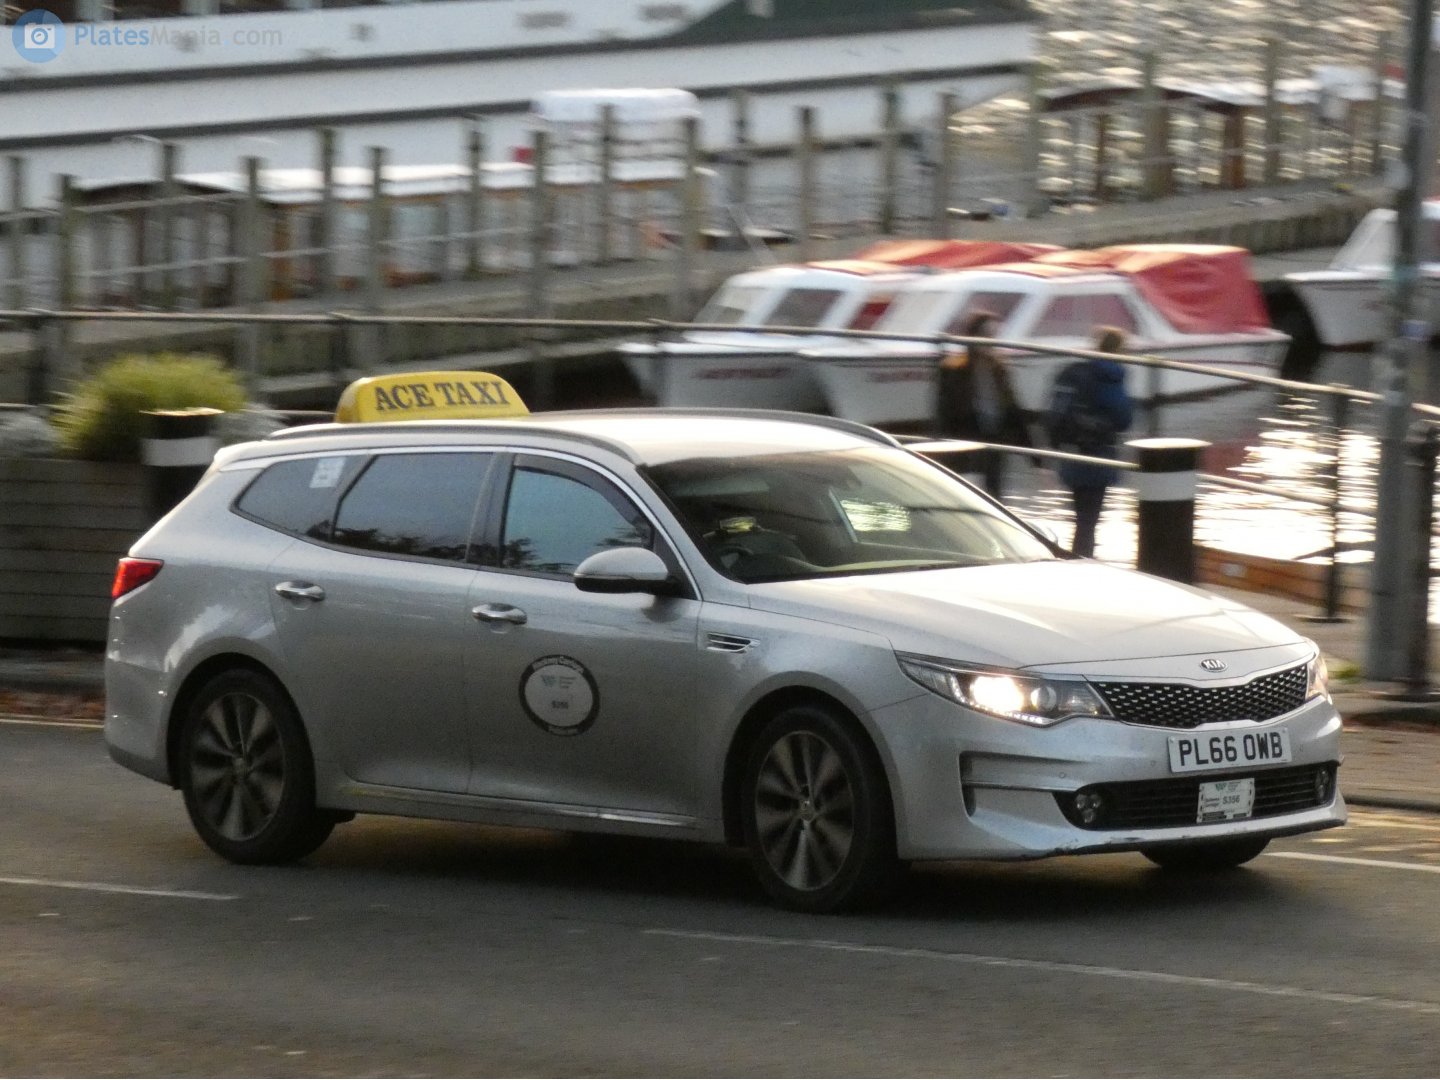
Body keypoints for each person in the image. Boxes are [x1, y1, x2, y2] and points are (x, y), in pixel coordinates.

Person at [1047, 325, 1136, 558]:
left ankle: (1077, 557)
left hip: (1073, 453)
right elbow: (1123, 418)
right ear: (1119, 350)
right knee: (1089, 520)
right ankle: (1084, 560)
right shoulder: (1110, 375)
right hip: (1098, 455)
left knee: (1080, 517)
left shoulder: (1076, 371)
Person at [933, 310, 1033, 498]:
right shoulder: (952, 369)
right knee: (966, 495)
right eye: (987, 336)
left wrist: (1035, 457)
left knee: (995, 496)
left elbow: (1014, 410)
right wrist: (940, 449)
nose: (991, 342)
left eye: (994, 336)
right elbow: (943, 413)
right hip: (965, 440)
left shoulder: (999, 368)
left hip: (995, 441)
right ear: (973, 337)